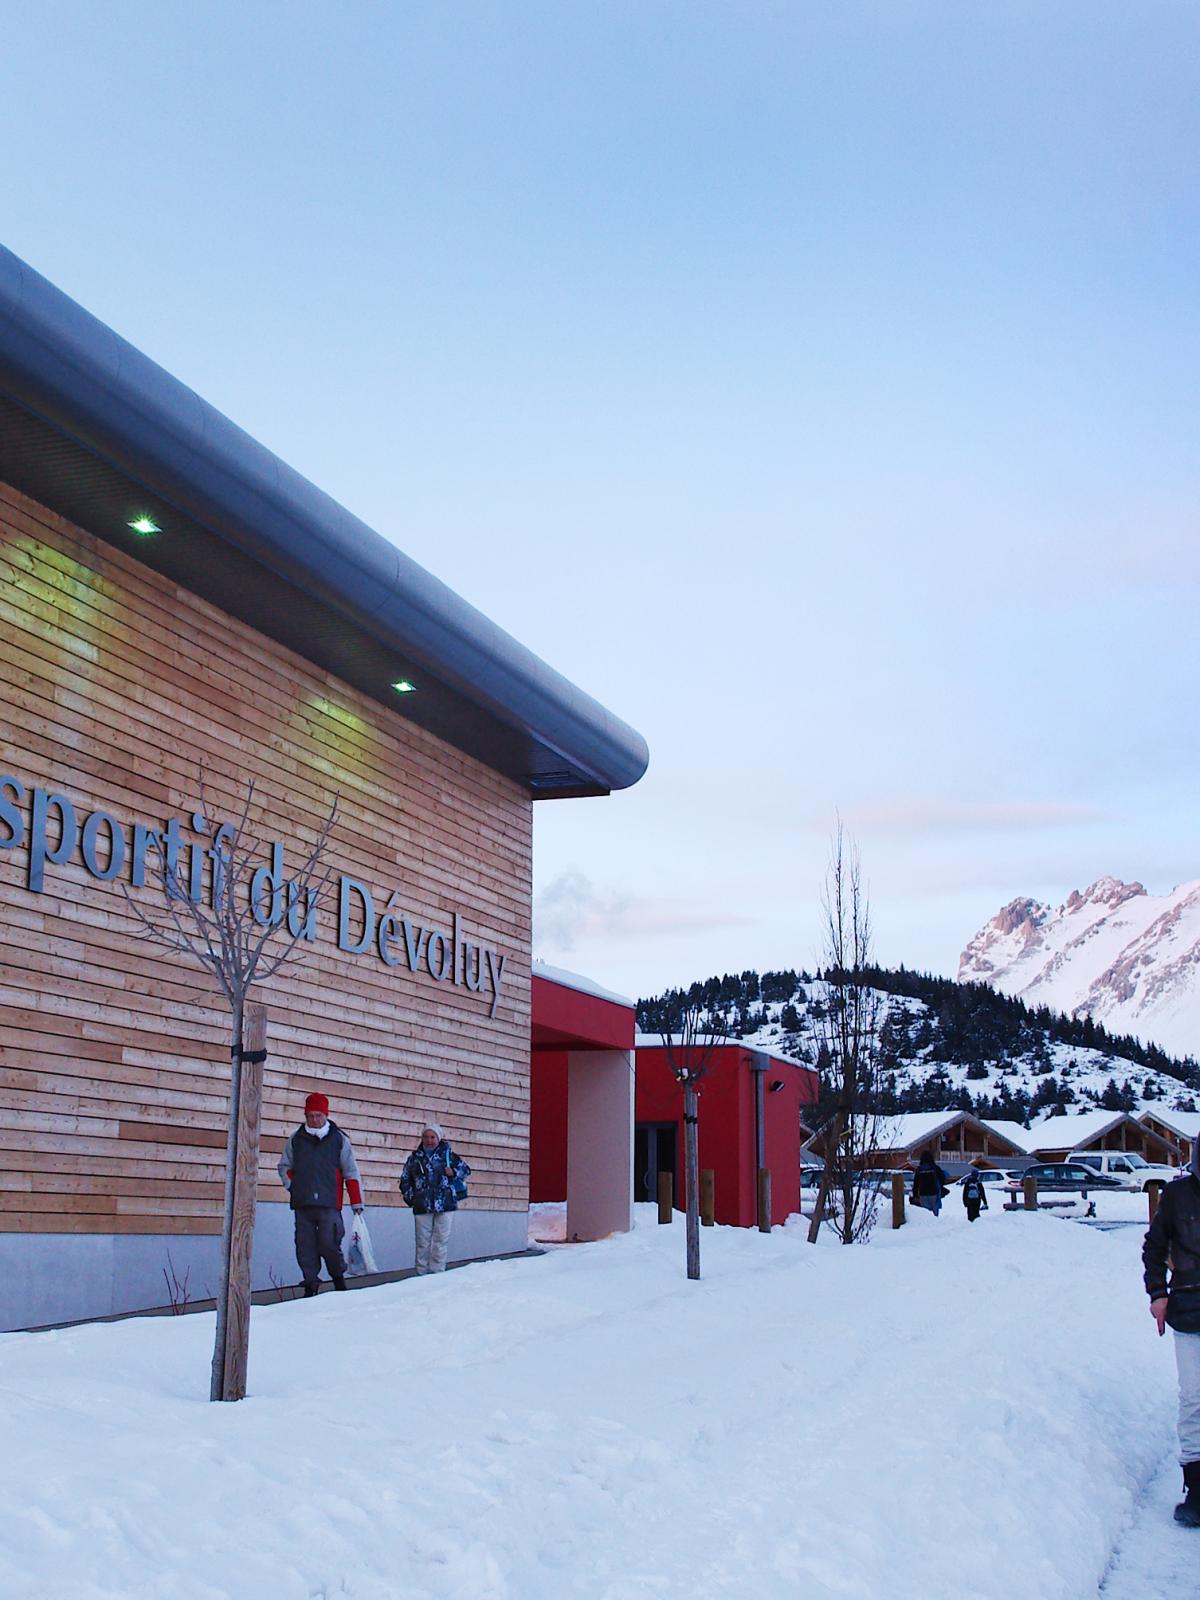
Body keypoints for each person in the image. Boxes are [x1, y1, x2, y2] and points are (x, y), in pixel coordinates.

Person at [1143, 1135, 1200, 1526]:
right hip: (1189, 1310)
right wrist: (1157, 1294)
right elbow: (1154, 1246)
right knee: (1194, 1399)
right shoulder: (1178, 1195)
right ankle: (1196, 1488)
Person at [278, 1091, 364, 1297]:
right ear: (305, 1116)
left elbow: (350, 1171)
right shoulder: (296, 1139)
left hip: (329, 1203)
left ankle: (338, 1278)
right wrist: (294, 1186)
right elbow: (284, 1166)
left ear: (326, 1115)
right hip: (303, 1203)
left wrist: (356, 1201)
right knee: (305, 1246)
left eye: (318, 1115)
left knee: (329, 1243)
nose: (315, 1120)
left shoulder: (339, 1140)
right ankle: (310, 1284)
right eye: (310, 1116)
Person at [400, 1119, 471, 1275]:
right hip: (422, 1205)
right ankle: (421, 1274)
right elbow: (405, 1179)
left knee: (440, 1242)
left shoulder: (449, 1156)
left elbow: (466, 1170)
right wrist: (412, 1197)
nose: (429, 1140)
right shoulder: (415, 1158)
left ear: (438, 1139)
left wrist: (454, 1172)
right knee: (422, 1243)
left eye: (433, 1137)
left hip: (445, 1205)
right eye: (426, 1137)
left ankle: (438, 1274)